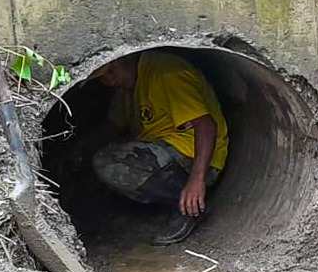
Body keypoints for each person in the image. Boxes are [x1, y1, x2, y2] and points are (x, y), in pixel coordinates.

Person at [89, 51, 229, 245]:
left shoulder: (167, 73)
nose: (109, 80)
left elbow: (206, 126)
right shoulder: (127, 88)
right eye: (102, 78)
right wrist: (82, 150)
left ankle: (190, 205)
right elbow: (114, 126)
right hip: (165, 153)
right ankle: (180, 197)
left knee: (107, 161)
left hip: (194, 156)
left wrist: (196, 180)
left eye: (111, 71)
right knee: (106, 154)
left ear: (124, 58)